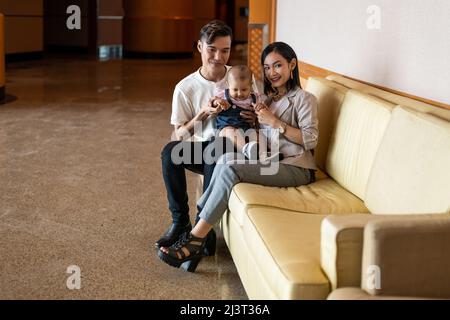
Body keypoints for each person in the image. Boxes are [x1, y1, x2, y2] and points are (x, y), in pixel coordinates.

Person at [157, 42, 319, 272]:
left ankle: (195, 238)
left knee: (230, 166)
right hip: (267, 159)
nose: (272, 72)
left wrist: (276, 123)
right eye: (267, 67)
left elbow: (310, 140)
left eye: (278, 65)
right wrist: (251, 121)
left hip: (295, 167)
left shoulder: (305, 99)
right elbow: (181, 133)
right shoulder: (266, 99)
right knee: (222, 158)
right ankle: (196, 229)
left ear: (292, 64)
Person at [156, 20, 257, 257]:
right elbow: (179, 134)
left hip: (234, 151)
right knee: (169, 152)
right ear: (200, 47)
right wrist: (203, 112)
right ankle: (181, 222)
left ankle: (203, 229)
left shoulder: (241, 78)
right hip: (204, 151)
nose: (218, 56)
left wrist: (253, 118)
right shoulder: (185, 87)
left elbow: (261, 119)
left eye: (225, 50)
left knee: (219, 145)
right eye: (212, 49)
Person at [212, 65, 260, 159]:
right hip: (225, 128)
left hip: (246, 128)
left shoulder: (254, 98)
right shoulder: (223, 95)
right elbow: (213, 102)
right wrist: (218, 102)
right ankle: (246, 150)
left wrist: (259, 110)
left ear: (251, 85)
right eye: (235, 89)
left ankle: (264, 152)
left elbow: (259, 111)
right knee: (233, 132)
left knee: (257, 135)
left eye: (244, 89)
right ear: (228, 84)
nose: (239, 93)